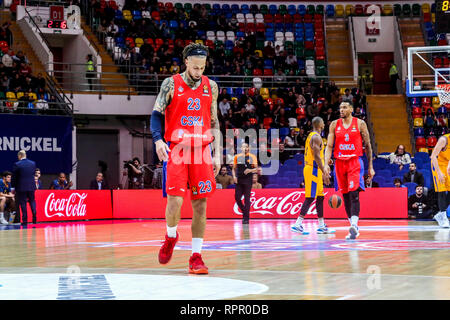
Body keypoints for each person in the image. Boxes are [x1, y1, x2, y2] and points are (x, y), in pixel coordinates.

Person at [150, 43, 221, 274]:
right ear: (186, 62)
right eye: (195, 67)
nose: (199, 71)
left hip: (202, 150)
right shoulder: (171, 83)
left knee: (201, 204)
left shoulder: (211, 86)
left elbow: (214, 120)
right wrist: (158, 139)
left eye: (202, 67)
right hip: (178, 148)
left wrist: (218, 151)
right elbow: (156, 114)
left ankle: (196, 256)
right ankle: (171, 237)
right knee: (175, 201)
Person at [324, 101, 375, 240]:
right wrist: (325, 164)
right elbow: (329, 146)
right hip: (339, 163)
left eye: (345, 107)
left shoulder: (360, 124)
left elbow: (368, 146)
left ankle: (354, 224)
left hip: (354, 162)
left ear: (351, 109)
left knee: (354, 194)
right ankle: (352, 226)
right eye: (340, 107)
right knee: (345, 195)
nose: (341, 109)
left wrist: (370, 166)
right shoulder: (334, 124)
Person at [291, 117, 333, 234]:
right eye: (323, 122)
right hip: (313, 169)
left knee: (320, 197)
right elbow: (316, 156)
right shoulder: (316, 137)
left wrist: (326, 162)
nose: (324, 124)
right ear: (320, 124)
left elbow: (318, 155)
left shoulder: (312, 136)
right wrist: (324, 169)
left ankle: (321, 226)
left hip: (315, 169)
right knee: (310, 197)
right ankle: (298, 224)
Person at [232, 143, 258, 224]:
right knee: (237, 197)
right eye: (243, 147)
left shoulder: (252, 156)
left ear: (248, 148)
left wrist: (250, 170)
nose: (245, 148)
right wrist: (234, 177)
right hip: (239, 179)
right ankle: (245, 212)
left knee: (247, 199)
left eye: (247, 147)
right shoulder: (237, 156)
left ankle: (246, 218)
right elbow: (233, 169)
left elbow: (256, 169)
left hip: (248, 179)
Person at [430, 133, 450, 228]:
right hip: (437, 164)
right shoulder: (444, 140)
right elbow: (433, 156)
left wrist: (449, 167)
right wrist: (439, 173)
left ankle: (440, 214)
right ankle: (442, 215)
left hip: (446, 164)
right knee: (442, 190)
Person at [12, 150, 37, 225]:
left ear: (20, 156)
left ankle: (25, 221)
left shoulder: (17, 164)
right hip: (31, 186)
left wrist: (13, 186)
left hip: (21, 187)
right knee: (32, 201)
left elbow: (14, 177)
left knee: (23, 203)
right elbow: (32, 174)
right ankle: (34, 216)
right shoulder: (33, 163)